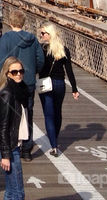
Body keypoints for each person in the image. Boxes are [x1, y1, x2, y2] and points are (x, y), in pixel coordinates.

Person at [0, 8, 44, 160]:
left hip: (10, 84)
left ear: (10, 22)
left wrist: (2, 80)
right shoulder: (32, 39)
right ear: (23, 23)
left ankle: (13, 144)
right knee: (28, 113)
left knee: (10, 114)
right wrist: (31, 73)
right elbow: (40, 59)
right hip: (28, 82)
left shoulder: (6, 39)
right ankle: (27, 149)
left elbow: (1, 62)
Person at [37, 24, 79, 156]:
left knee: (49, 115)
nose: (41, 35)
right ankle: (55, 136)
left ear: (50, 34)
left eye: (43, 33)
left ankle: (54, 145)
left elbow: (37, 66)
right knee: (57, 112)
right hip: (60, 84)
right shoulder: (63, 49)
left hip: (46, 84)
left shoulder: (41, 49)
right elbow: (69, 71)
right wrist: (74, 88)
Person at [0, 57, 27, 200]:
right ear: (7, 74)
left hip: (12, 145)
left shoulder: (17, 90)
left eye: (21, 71)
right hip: (10, 148)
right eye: (14, 72)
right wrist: (6, 155)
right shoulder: (7, 94)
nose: (18, 74)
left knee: (11, 190)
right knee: (18, 192)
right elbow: (3, 127)